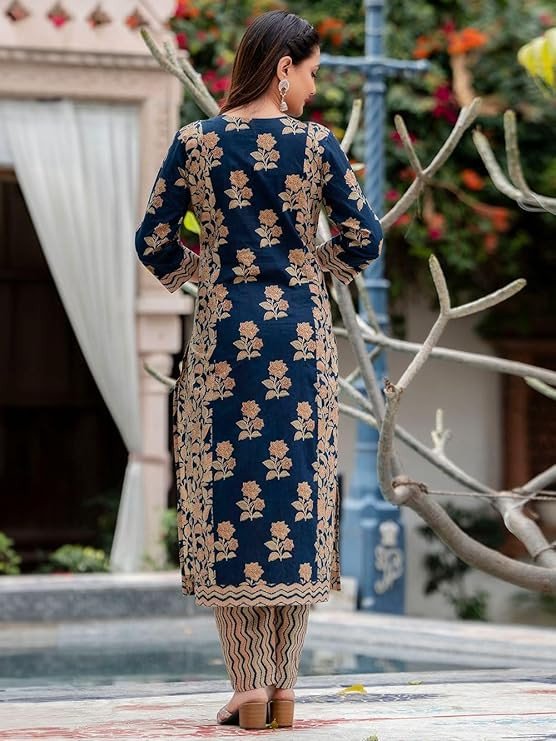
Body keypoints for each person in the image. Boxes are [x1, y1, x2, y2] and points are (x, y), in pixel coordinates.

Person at [135, 9, 384, 731]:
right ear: (282, 68)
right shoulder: (318, 144)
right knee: (295, 497)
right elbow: (364, 236)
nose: (313, 87)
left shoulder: (196, 142)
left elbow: (153, 240)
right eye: (311, 72)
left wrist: (206, 272)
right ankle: (282, 691)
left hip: (225, 339)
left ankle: (247, 689)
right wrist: (312, 268)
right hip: (299, 340)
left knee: (232, 499)